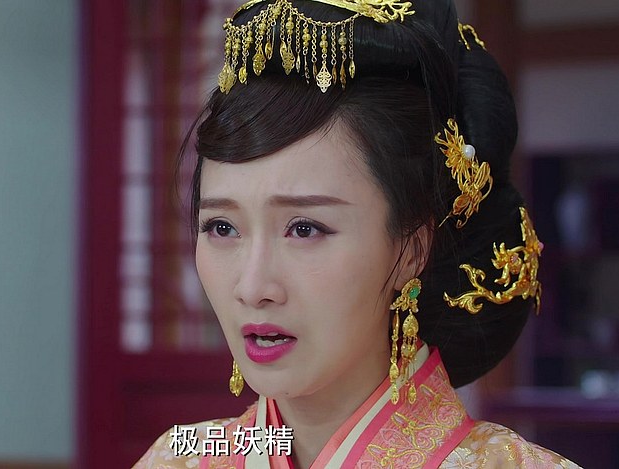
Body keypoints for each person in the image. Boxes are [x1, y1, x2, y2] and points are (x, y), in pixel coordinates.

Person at [135, 0, 579, 467]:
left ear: (413, 247)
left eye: (304, 229)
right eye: (221, 227)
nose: (252, 287)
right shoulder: (176, 460)